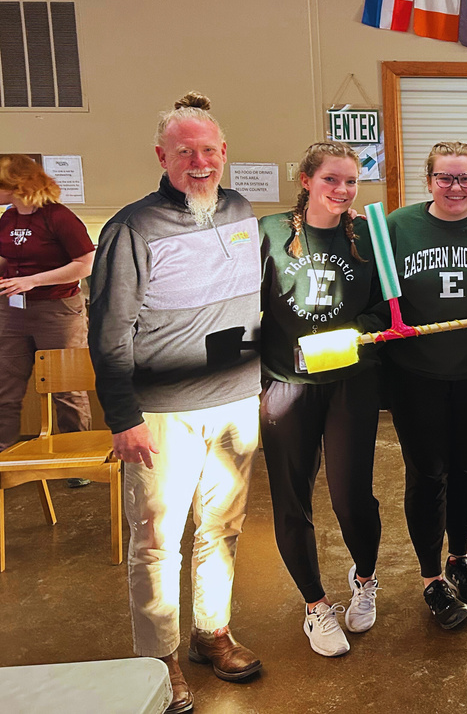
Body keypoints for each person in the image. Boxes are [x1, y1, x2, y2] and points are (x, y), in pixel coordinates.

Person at [88, 92, 263, 714]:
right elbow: (109, 331)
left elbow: (252, 301)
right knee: (157, 540)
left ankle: (210, 633)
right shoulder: (131, 228)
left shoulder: (241, 210)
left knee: (222, 528)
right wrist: (122, 417)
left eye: (209, 150)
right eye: (185, 151)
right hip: (160, 411)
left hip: (236, 400)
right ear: (161, 156)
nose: (199, 161)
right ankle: (157, 659)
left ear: (224, 154)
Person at [373, 142, 467, 629]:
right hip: (414, 373)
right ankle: (430, 577)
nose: (456, 187)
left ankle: (458, 558)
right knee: (426, 472)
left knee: (464, 467)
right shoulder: (397, 227)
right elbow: (376, 296)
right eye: (445, 178)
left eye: (465, 178)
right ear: (429, 181)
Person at [259, 141, 382, 657]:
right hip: (286, 383)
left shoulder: (369, 237)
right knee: (292, 501)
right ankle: (315, 605)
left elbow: (384, 309)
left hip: (350, 383)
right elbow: (244, 303)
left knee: (351, 497)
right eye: (331, 179)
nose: (343, 190)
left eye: (351, 181)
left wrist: (359, 333)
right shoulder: (268, 233)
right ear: (306, 180)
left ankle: (366, 577)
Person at [0, 155, 95, 474]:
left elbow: (85, 264)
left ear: (14, 185)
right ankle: (5, 456)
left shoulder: (59, 218)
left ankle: (78, 461)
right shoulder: (8, 217)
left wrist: (32, 280)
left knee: (66, 387)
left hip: (57, 311)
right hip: (13, 310)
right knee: (6, 385)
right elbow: (7, 257)